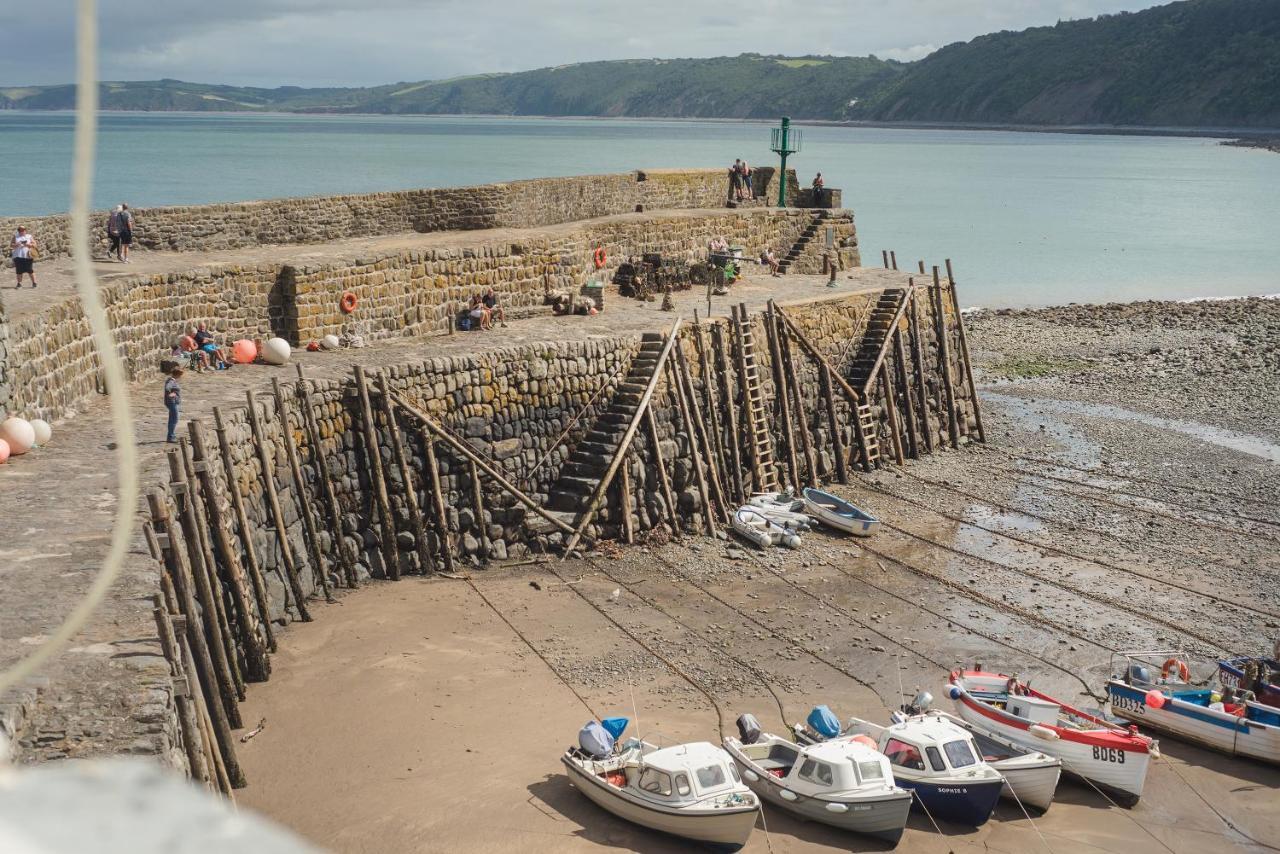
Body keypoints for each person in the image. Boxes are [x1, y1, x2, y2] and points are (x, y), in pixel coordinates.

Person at [164, 367, 183, 443]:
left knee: (172, 419)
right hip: (172, 402)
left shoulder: (172, 380)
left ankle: (171, 436)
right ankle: (171, 437)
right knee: (174, 420)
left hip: (173, 402)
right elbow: (167, 388)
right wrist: (171, 394)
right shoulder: (171, 381)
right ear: (177, 374)